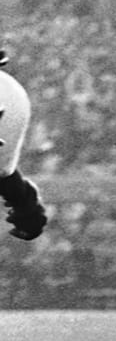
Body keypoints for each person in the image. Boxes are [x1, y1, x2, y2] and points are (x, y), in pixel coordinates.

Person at [0, 50, 47, 241]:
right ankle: (28, 214)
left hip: (8, 103)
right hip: (11, 97)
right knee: (3, 172)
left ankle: (28, 213)